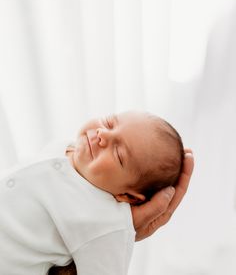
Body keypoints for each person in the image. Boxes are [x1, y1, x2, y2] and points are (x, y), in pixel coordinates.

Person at [0, 111, 194, 275]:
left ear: (128, 196)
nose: (103, 135)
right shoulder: (66, 147)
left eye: (118, 153)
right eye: (109, 123)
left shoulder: (106, 223)